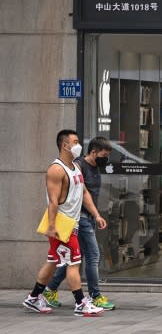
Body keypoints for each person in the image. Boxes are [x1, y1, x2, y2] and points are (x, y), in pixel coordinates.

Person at [22, 129, 106, 316]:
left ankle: (34, 298)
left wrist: (96, 215)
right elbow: (53, 201)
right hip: (62, 225)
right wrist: (52, 226)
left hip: (70, 223)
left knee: (53, 261)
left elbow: (84, 193)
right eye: (75, 142)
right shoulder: (56, 169)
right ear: (64, 145)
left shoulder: (76, 167)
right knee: (74, 263)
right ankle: (81, 304)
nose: (78, 145)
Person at [43, 136, 115, 311]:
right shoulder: (79, 167)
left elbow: (89, 194)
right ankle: (95, 296)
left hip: (88, 217)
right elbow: (80, 195)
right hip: (78, 217)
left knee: (73, 258)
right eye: (103, 155)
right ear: (93, 152)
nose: (105, 159)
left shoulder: (95, 167)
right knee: (93, 255)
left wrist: (96, 215)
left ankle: (49, 290)